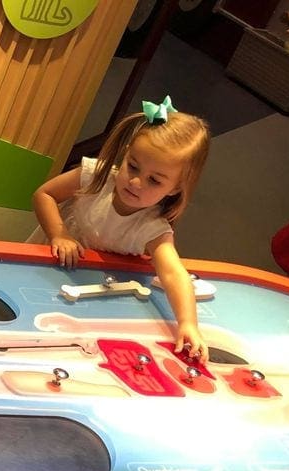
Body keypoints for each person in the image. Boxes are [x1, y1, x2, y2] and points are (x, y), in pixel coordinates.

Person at [30, 96, 211, 364]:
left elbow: (174, 273)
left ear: (174, 188)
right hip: (52, 262)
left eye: (154, 180)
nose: (136, 182)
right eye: (133, 166)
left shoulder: (153, 228)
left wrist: (188, 324)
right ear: (126, 153)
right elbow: (44, 194)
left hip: (92, 292)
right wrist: (59, 234)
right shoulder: (95, 177)